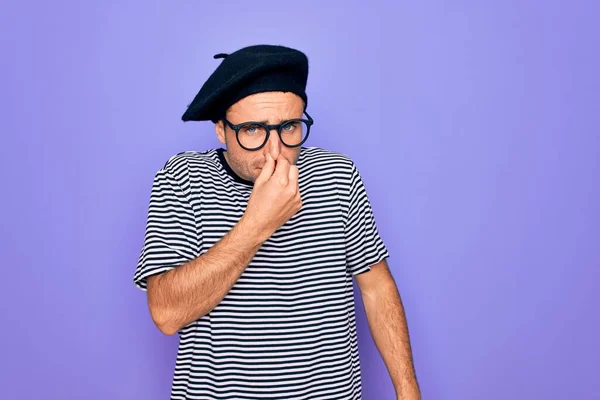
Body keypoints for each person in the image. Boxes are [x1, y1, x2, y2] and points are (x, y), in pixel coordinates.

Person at [134, 44, 421, 400]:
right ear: (221, 130)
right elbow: (166, 313)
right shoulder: (182, 178)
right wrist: (258, 222)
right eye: (253, 129)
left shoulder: (338, 175)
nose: (275, 150)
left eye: (289, 127)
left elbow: (376, 288)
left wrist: (408, 391)